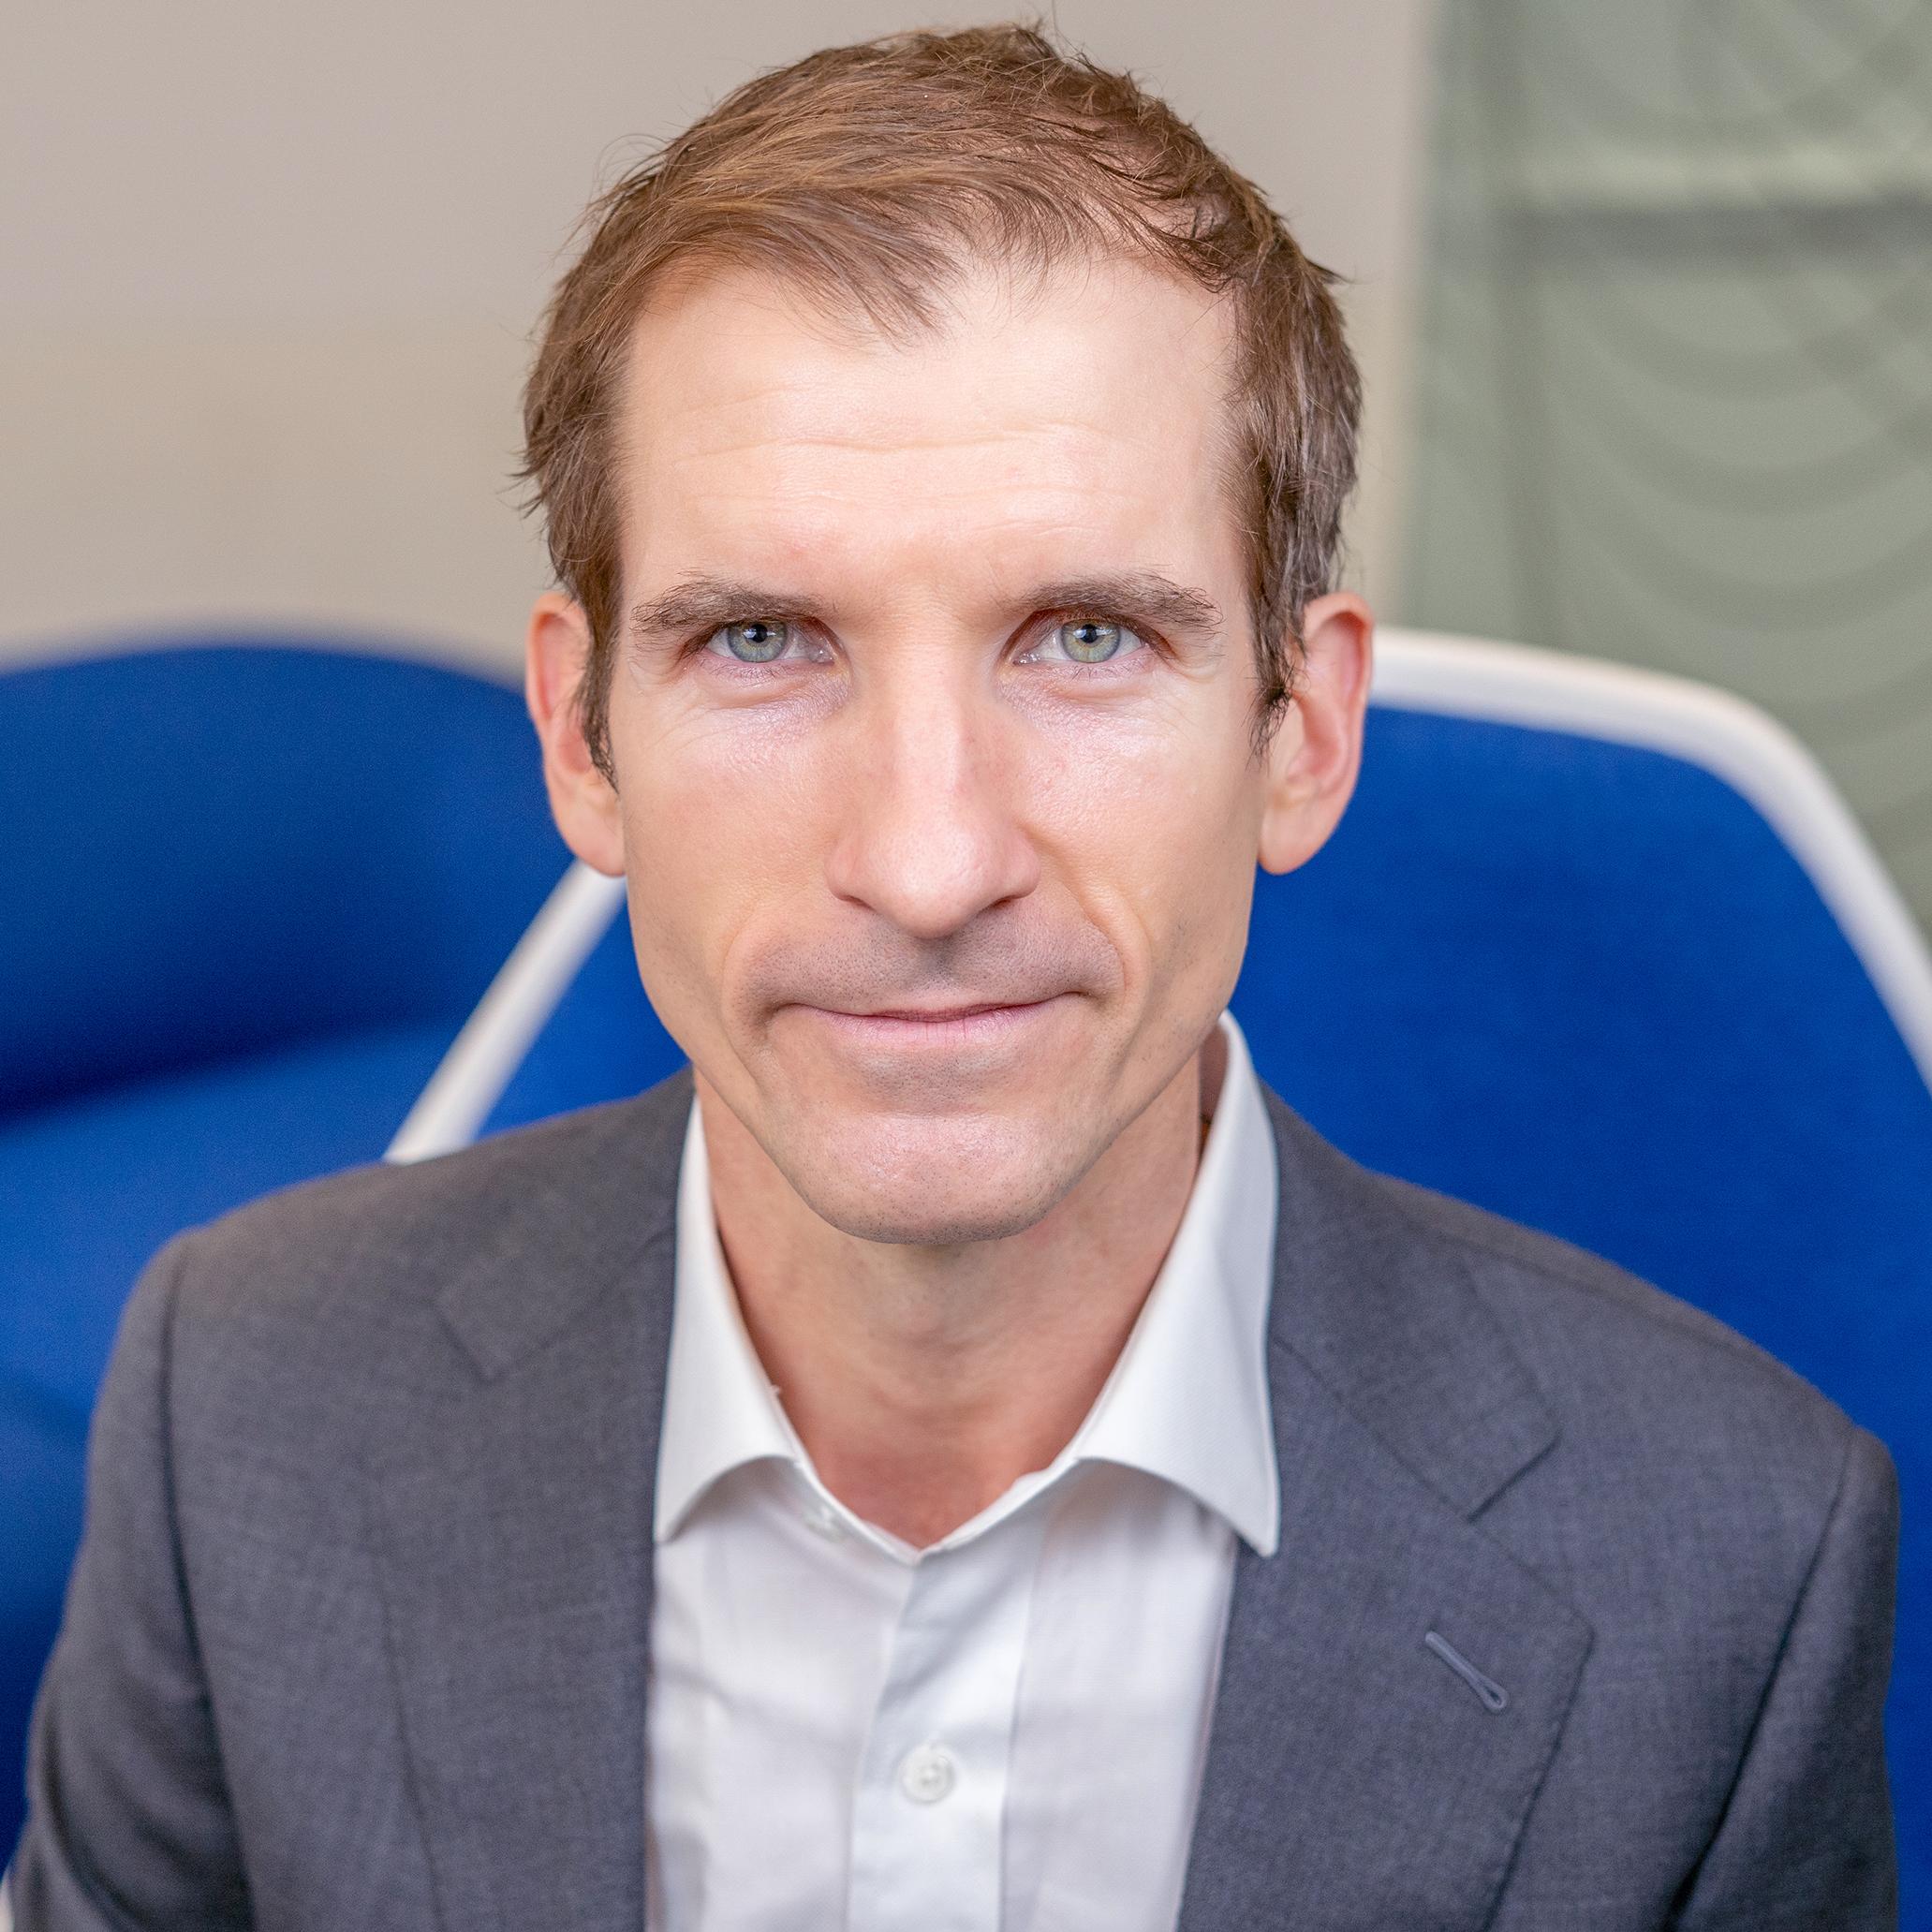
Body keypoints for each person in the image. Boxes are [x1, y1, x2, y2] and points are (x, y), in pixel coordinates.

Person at [7, 22, 1898, 1932]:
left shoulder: (1732, 1572)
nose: (927, 861)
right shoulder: (243, 1411)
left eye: (1084, 637)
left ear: (1301, 735)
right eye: (763, 641)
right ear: (580, 742)